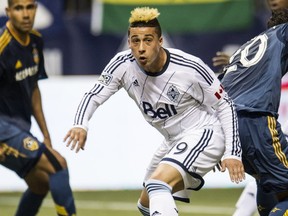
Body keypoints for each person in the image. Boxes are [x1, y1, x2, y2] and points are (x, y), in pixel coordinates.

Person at [64, 6, 245, 216]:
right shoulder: (122, 64)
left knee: (158, 185)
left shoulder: (190, 67)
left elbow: (225, 104)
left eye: (148, 40)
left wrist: (232, 152)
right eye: (135, 41)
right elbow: (93, 95)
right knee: (146, 205)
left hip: (205, 132)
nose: (141, 48)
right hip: (173, 141)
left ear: (160, 41)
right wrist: (80, 124)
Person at [0, 0, 76, 215]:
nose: (25, 14)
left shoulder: (36, 41)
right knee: (57, 165)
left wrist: (46, 135)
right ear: (8, 12)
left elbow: (34, 89)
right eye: (18, 8)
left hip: (19, 127)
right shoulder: (2, 46)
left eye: (30, 7)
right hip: (2, 130)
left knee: (40, 184)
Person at [220, 8, 288, 216]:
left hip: (226, 125)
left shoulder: (248, 47)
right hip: (256, 120)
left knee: (267, 181)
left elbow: (219, 88)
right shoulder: (284, 32)